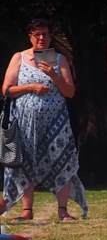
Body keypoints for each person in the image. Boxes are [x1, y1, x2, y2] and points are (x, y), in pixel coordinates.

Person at [0, 19, 86, 222]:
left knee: (62, 162)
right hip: (24, 123)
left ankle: (63, 210)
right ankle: (27, 210)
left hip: (56, 124)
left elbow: (70, 92)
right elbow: (6, 90)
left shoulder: (59, 60)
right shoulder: (19, 58)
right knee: (24, 164)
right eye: (37, 34)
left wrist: (54, 76)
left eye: (45, 34)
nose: (41, 38)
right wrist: (31, 87)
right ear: (30, 36)